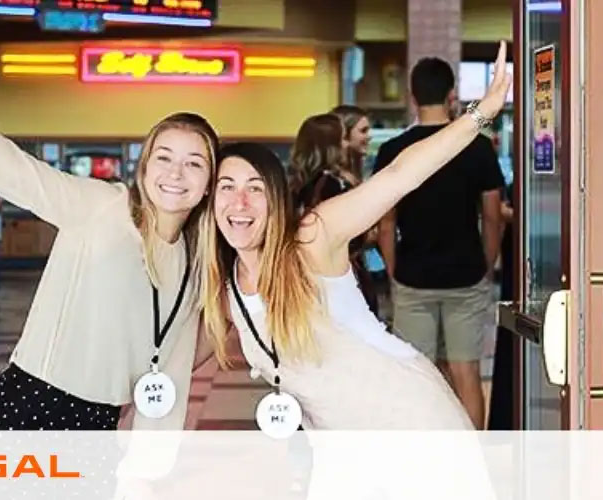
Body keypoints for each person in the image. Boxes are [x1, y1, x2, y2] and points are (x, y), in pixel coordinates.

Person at [0, 36, 216, 431]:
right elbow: (14, 171)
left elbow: (176, 358)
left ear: (208, 184)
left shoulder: (194, 260)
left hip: (101, 421)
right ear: (145, 167)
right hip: (33, 404)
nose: (175, 173)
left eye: (194, 163)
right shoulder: (101, 205)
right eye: (164, 158)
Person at [199, 42, 510, 430]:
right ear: (211, 201)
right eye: (227, 187)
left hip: (408, 421)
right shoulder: (227, 287)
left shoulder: (311, 240)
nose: (239, 202)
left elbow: (400, 175)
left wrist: (482, 113)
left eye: (255, 188)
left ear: (276, 199)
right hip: (336, 445)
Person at [374, 56, 506, 430]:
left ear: (412, 96)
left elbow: (386, 221)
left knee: (420, 373)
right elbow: (493, 214)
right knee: (467, 371)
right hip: (466, 273)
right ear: (452, 95)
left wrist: (394, 268)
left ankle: (422, 459)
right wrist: (486, 261)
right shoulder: (477, 147)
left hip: (413, 274)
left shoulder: (393, 151)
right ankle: (473, 461)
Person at [290, 114, 379, 315]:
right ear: (331, 146)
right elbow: (358, 234)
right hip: (342, 277)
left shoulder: (294, 186)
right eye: (343, 139)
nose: (346, 144)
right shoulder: (337, 185)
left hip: (306, 278)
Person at [329, 105, 371, 176]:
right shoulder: (331, 177)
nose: (369, 136)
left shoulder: (359, 168)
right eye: (363, 131)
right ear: (344, 133)